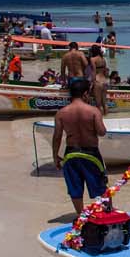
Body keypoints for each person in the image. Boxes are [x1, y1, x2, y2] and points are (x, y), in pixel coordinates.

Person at [50, 79, 107, 214]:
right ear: (85, 94)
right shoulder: (93, 111)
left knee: (75, 188)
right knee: (100, 187)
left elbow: (57, 137)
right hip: (91, 154)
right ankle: (105, 214)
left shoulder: (61, 113)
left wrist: (55, 157)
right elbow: (102, 132)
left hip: (71, 154)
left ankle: (81, 216)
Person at [87, 45, 109, 112]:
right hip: (104, 81)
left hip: (97, 81)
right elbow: (105, 72)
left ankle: (100, 119)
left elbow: (94, 71)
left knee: (98, 105)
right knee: (104, 103)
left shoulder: (92, 59)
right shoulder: (103, 59)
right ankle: (106, 118)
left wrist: (92, 83)